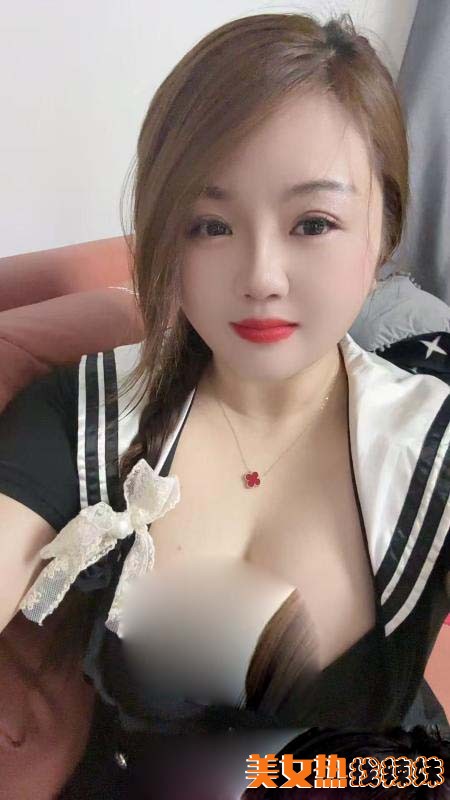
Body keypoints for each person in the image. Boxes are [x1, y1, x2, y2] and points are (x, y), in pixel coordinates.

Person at [0, 9, 449, 797]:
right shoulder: (83, 416)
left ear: (383, 230)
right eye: (211, 225)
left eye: (313, 223)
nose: (261, 276)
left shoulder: (428, 438)